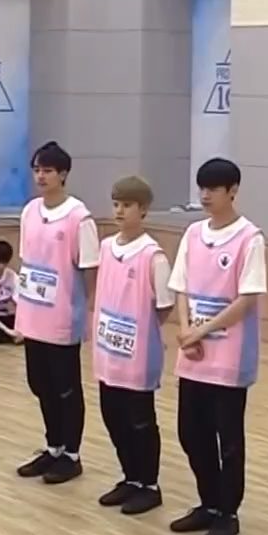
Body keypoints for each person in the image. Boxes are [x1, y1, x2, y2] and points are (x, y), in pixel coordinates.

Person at [167, 158, 267, 535]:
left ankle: (228, 512)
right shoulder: (193, 233)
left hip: (228, 356)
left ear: (233, 191)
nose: (206, 195)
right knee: (191, 433)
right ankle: (207, 502)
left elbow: (246, 299)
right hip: (193, 352)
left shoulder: (249, 238)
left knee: (229, 439)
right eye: (202, 188)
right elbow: (181, 286)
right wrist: (185, 330)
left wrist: (202, 330)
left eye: (214, 189)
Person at [13, 142, 99, 485]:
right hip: (33, 313)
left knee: (65, 387)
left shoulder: (79, 217)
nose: (41, 176)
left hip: (63, 316)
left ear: (63, 174)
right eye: (36, 170)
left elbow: (90, 268)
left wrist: (87, 309)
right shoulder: (30, 211)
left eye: (47, 170)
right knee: (40, 383)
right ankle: (53, 446)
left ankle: (72, 455)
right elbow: (27, 261)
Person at [90, 176, 174, 515]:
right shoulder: (106, 247)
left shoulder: (153, 256)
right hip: (108, 349)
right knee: (113, 417)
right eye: (116, 204)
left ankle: (149, 484)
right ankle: (130, 477)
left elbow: (164, 306)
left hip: (137, 355)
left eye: (127, 205)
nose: (119, 211)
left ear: (144, 210)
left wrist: (141, 330)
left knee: (140, 421)